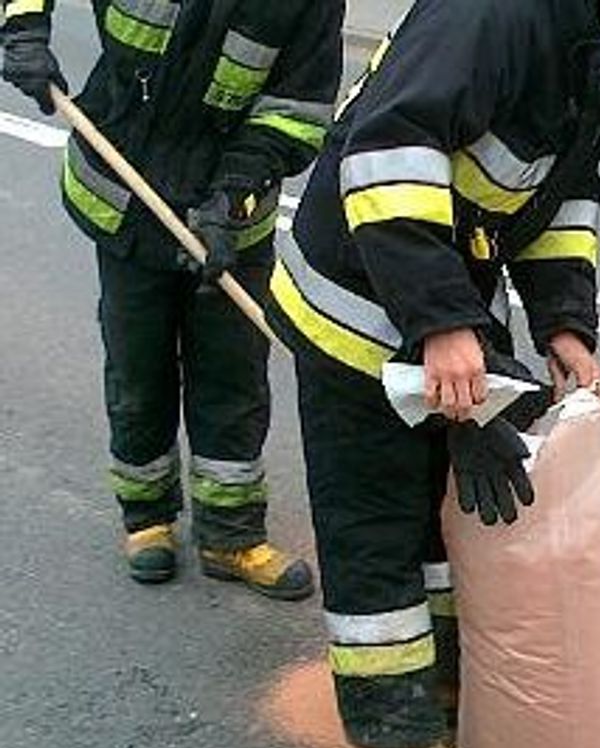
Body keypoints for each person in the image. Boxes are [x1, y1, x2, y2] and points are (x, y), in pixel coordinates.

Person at [265, 0, 600, 748]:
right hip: (355, 306)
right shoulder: (492, 19)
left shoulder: (581, 63)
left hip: (440, 301)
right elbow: (388, 156)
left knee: (448, 519)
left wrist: (564, 326)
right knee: (377, 530)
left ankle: (445, 689)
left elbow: (560, 206)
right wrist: (443, 325)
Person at [1, 0, 345, 598]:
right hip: (124, 200)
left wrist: (232, 197)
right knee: (138, 372)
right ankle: (146, 518)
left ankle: (230, 536)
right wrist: (25, 30)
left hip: (226, 222)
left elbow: (294, 112)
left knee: (231, 381)